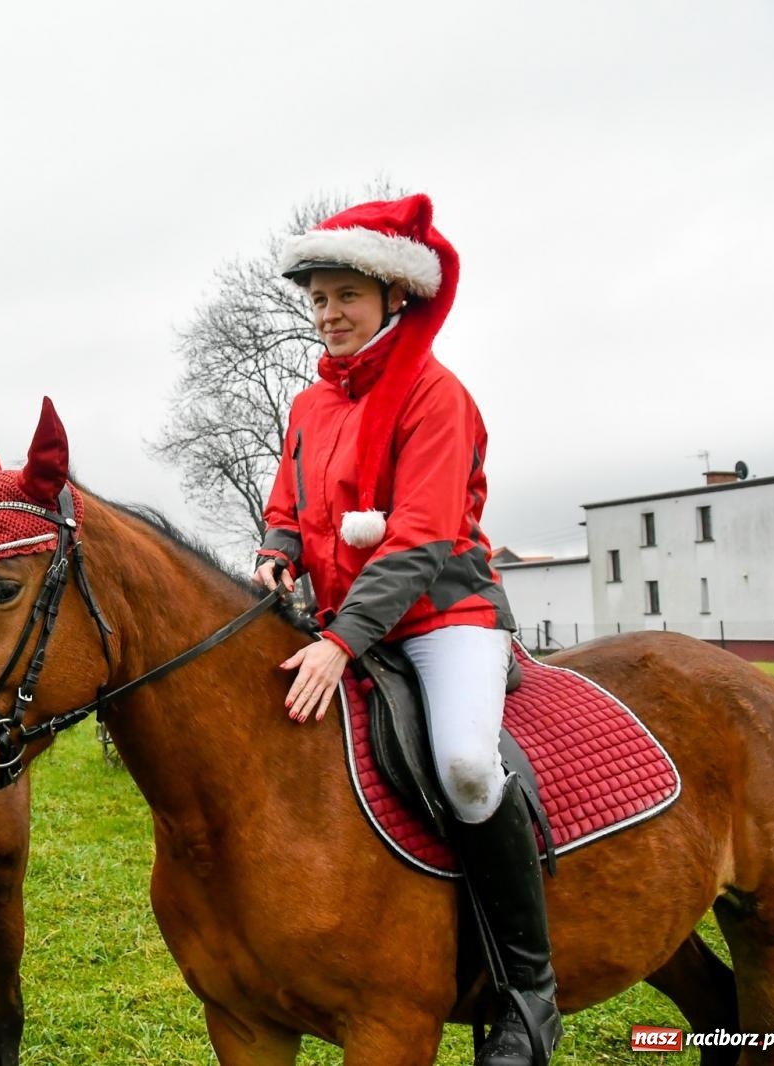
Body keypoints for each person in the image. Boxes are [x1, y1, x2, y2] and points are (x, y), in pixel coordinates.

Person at [252, 195, 561, 1066]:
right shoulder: (312, 403)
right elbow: (290, 503)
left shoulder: (437, 394)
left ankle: (529, 997)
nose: (329, 313)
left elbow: (422, 539)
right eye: (317, 298)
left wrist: (341, 638)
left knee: (466, 766)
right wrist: (279, 548)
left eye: (346, 294)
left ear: (395, 297)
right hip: (346, 618)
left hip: (443, 616)